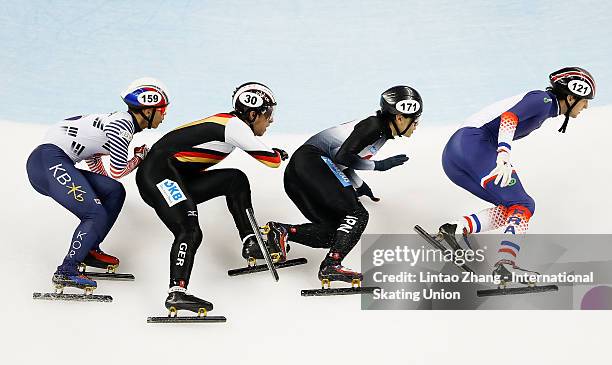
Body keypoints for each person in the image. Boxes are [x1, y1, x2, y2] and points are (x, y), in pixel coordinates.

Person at [136, 82, 287, 314]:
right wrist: (277, 153)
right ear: (253, 112)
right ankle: (177, 293)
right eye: (269, 114)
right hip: (158, 175)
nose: (271, 120)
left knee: (234, 179)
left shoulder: (233, 124)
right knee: (189, 230)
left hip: (174, 175)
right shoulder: (234, 126)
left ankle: (251, 243)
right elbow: (271, 161)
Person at [438, 67, 595, 280]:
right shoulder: (543, 100)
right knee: (525, 205)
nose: (586, 106)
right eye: (585, 100)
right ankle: (505, 265)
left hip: (455, 155)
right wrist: (503, 153)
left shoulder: (545, 107)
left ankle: (457, 229)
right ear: (570, 97)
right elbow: (509, 117)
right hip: (473, 143)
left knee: (513, 208)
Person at [266, 85, 422, 287]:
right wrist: (378, 166)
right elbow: (342, 156)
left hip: (301, 173)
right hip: (311, 161)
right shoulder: (374, 126)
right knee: (358, 214)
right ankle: (332, 264)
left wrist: (359, 184)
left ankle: (281, 231)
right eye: (415, 119)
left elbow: (340, 161)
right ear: (400, 117)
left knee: (335, 233)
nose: (416, 124)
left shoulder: (381, 132)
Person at [26, 77, 170, 291]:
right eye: (162, 110)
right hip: (48, 161)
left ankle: (89, 249)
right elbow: (118, 170)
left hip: (55, 161)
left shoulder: (117, 123)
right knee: (95, 213)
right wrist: (140, 157)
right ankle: (67, 270)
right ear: (147, 111)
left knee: (113, 191)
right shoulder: (123, 124)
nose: (164, 115)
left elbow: (96, 164)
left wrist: (106, 183)